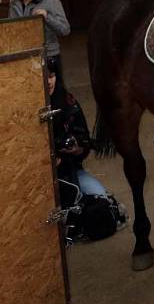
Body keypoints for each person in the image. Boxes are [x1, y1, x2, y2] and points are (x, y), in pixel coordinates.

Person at [47, 57, 126, 241]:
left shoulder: (67, 102)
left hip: (68, 173)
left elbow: (83, 146)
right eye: (44, 77)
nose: (49, 81)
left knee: (101, 205)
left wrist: (75, 149)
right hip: (38, 180)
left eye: (52, 75)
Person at [10, 0, 70, 83]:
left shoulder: (51, 2)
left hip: (48, 56)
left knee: (54, 96)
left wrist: (47, 17)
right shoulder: (14, 4)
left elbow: (65, 30)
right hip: (24, 57)